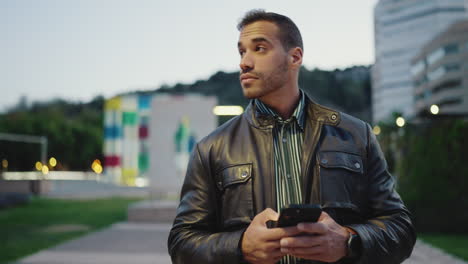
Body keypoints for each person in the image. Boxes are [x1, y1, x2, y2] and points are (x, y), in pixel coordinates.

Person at [168, 9, 415, 264]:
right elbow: (182, 243)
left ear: (294, 57)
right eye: (242, 51)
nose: (244, 62)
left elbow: (400, 228)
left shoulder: (355, 135)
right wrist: (240, 246)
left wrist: (348, 241)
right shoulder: (212, 147)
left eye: (259, 48)